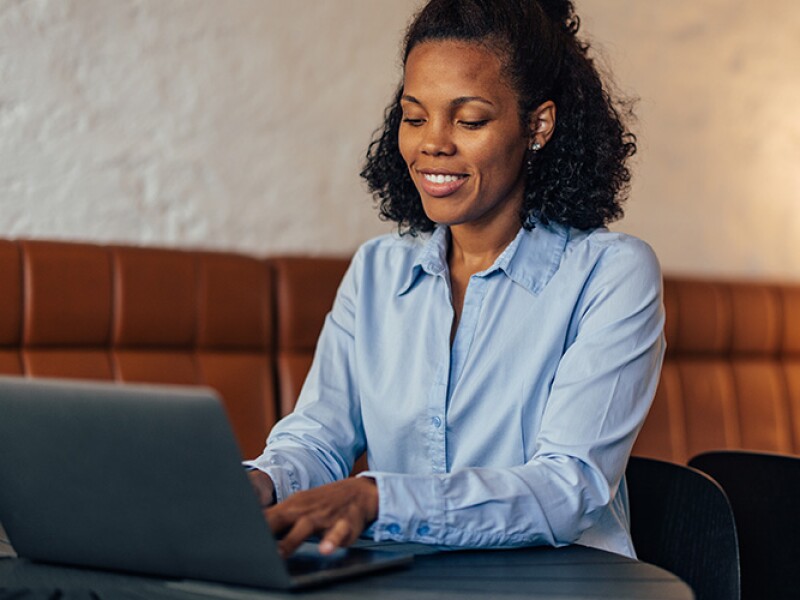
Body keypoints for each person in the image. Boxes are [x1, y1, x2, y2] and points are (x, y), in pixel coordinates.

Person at [246, 0, 665, 560]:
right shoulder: (377, 271)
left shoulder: (610, 274)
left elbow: (569, 486)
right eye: (414, 116)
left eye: (469, 120)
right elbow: (318, 438)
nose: (432, 144)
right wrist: (259, 483)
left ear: (537, 125)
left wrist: (378, 500)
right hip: (408, 582)